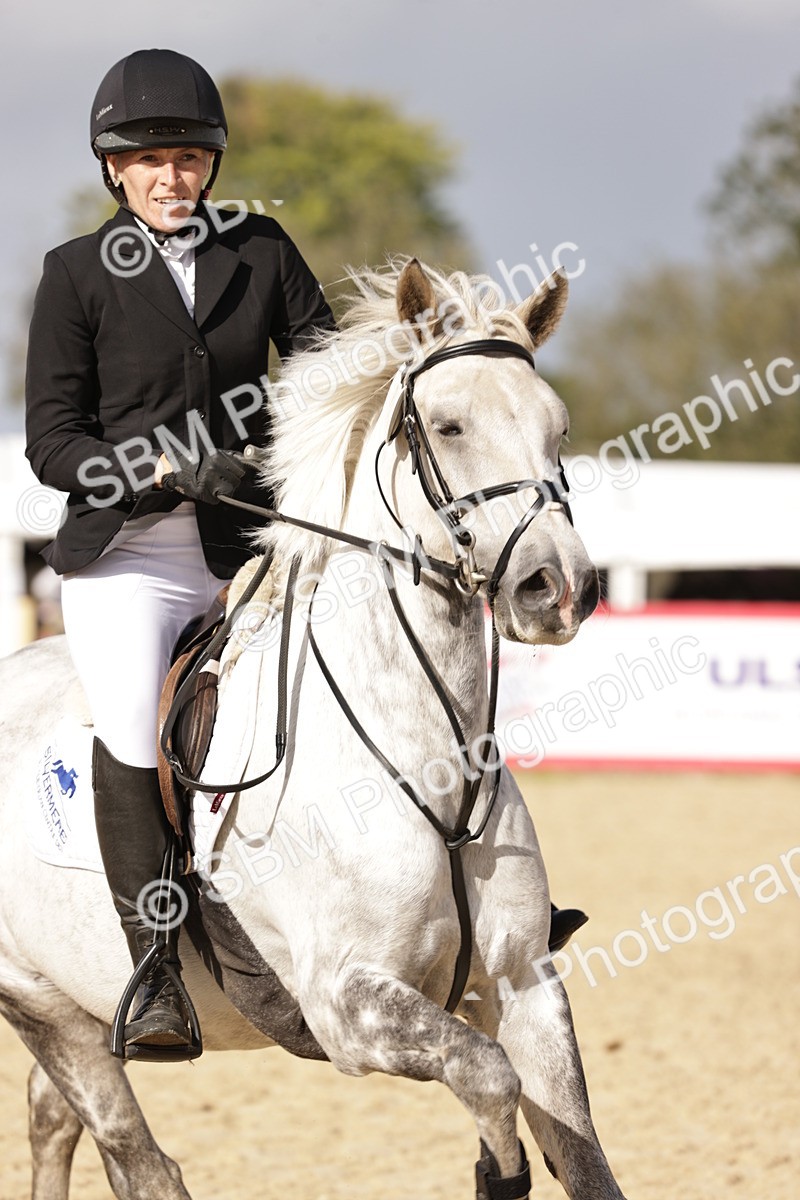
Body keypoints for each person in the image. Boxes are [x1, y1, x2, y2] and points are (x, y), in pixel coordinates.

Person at [25, 48, 335, 1060]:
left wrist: (263, 462)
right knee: (129, 730)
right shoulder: (76, 274)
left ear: (212, 162)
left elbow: (329, 387)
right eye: (150, 160)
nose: (172, 178)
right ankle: (155, 970)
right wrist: (158, 468)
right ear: (114, 168)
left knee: (378, 659)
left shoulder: (262, 250)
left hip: (247, 547)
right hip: (128, 564)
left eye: (190, 158)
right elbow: (53, 442)